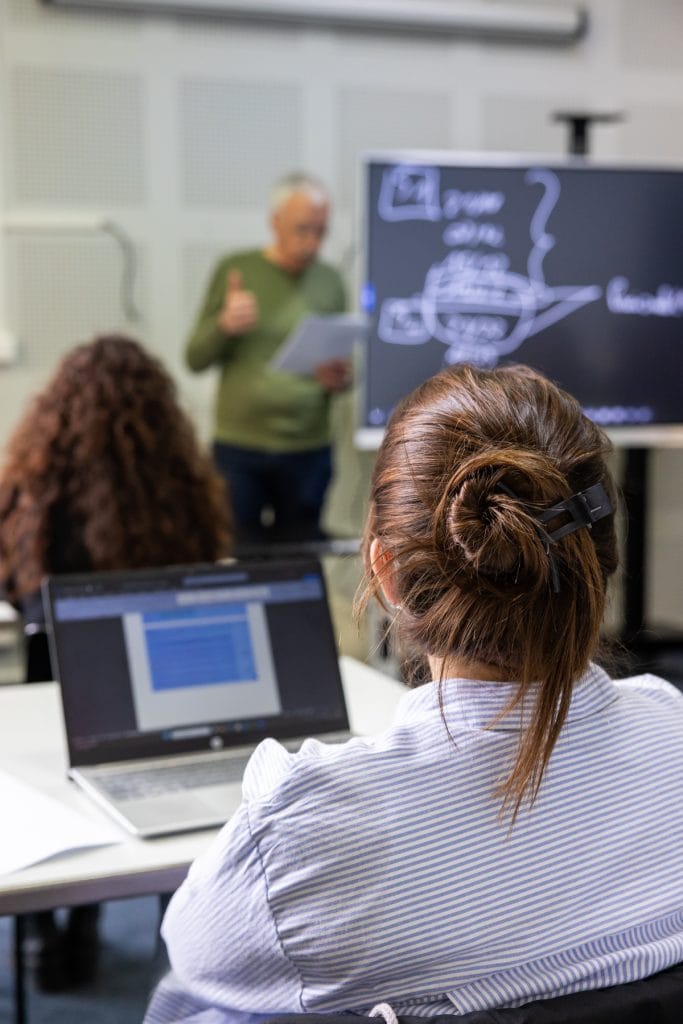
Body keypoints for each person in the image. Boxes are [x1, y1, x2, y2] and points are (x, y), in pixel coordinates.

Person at [144, 363, 683, 1023]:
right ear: (600, 558)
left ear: (386, 575)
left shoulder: (305, 833)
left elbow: (195, 951)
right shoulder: (672, 729)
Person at [0, 334, 232, 991]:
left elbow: (14, 586)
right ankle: (171, 938)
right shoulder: (180, 492)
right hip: (161, 689)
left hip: (57, 694)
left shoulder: (34, 484)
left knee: (64, 808)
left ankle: (50, 932)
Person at [186, 171, 349, 549]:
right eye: (302, 229)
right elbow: (194, 357)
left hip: (308, 448)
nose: (311, 242)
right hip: (240, 448)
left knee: (301, 558)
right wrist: (223, 325)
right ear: (274, 222)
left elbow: (340, 365)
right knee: (238, 555)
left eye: (321, 232)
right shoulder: (237, 270)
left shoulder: (330, 281)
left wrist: (340, 378)